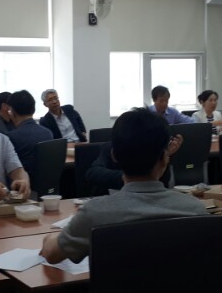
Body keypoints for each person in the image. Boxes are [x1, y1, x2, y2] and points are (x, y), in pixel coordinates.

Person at [40, 108, 204, 264]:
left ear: (114, 156)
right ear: (164, 158)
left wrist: (49, 238)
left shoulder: (95, 214)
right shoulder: (195, 210)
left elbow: (51, 254)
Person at [6, 90, 53, 175]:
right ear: (33, 109)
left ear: (13, 112)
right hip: (48, 182)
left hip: (22, 182)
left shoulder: (11, 137)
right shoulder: (48, 133)